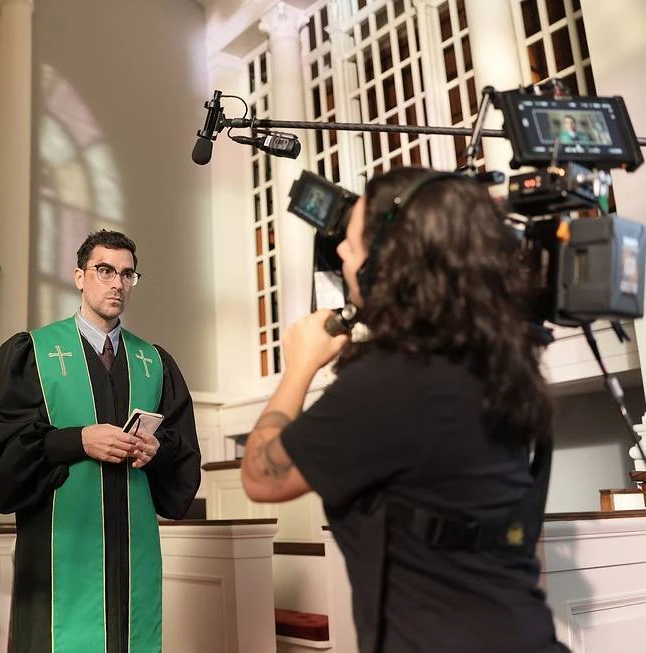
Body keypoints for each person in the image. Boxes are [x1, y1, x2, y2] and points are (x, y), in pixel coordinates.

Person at [240, 167, 568, 653]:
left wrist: (299, 367)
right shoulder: (500, 364)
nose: (344, 255)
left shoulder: (394, 381)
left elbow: (262, 477)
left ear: (389, 262)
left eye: (352, 243)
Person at [0, 229, 201, 653]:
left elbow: (182, 455)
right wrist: (76, 442)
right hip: (60, 550)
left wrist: (157, 451)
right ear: (79, 276)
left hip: (134, 552)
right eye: (105, 270)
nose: (117, 284)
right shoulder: (34, 353)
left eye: (127, 275)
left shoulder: (154, 362)